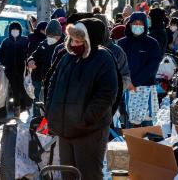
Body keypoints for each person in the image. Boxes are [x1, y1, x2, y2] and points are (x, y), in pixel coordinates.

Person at [46, 18, 118, 180]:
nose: (75, 44)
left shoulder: (103, 59)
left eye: (79, 40)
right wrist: (52, 112)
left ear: (89, 41)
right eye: (72, 39)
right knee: (68, 176)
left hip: (90, 133)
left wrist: (84, 119)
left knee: (89, 175)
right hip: (65, 132)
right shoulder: (67, 58)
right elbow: (53, 84)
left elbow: (106, 94)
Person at [117, 12, 161, 94]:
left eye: (140, 23)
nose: (138, 25)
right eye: (135, 23)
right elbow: (117, 65)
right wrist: (126, 83)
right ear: (130, 25)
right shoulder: (121, 43)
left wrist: (134, 83)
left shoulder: (152, 43)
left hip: (146, 88)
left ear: (145, 25)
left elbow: (152, 67)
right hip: (124, 87)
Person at [27, 20, 64, 113]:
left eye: (52, 36)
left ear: (59, 34)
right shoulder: (44, 43)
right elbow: (34, 55)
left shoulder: (65, 45)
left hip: (58, 83)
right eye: (48, 36)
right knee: (39, 104)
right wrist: (30, 60)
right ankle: (37, 122)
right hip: (41, 80)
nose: (50, 38)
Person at [0, 21, 29, 116]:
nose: (15, 31)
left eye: (16, 29)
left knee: (24, 89)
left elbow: (29, 53)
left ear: (20, 30)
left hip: (23, 70)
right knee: (15, 89)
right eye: (13, 29)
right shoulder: (6, 42)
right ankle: (17, 109)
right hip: (10, 71)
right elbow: (0, 55)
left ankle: (28, 107)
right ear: (10, 31)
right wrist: (5, 63)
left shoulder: (24, 40)